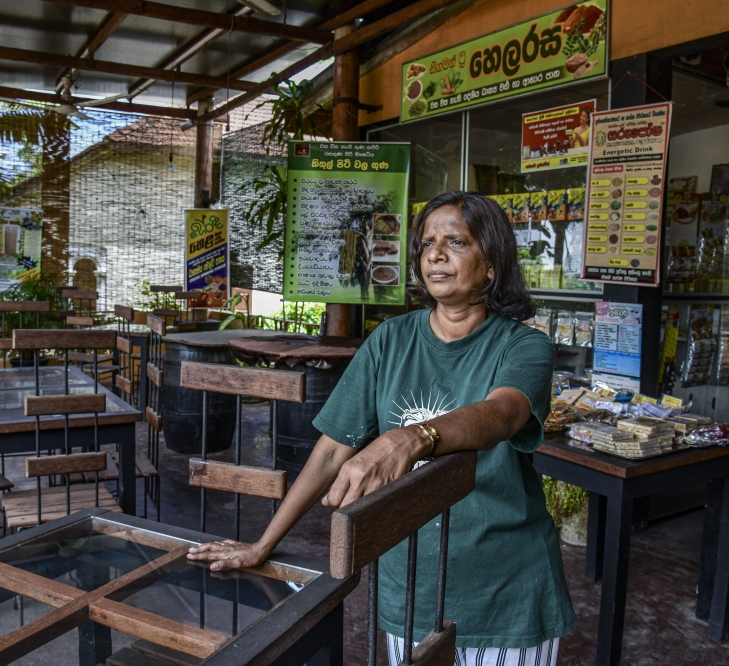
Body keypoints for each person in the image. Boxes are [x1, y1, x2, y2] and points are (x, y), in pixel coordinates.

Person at [188, 191, 577, 665]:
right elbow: (332, 451)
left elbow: (503, 414)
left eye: (456, 241)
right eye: (427, 243)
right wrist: (264, 543)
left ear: (491, 263)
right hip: (408, 584)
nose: (435, 254)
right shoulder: (390, 340)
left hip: (504, 590)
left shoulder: (523, 346)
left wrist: (412, 437)